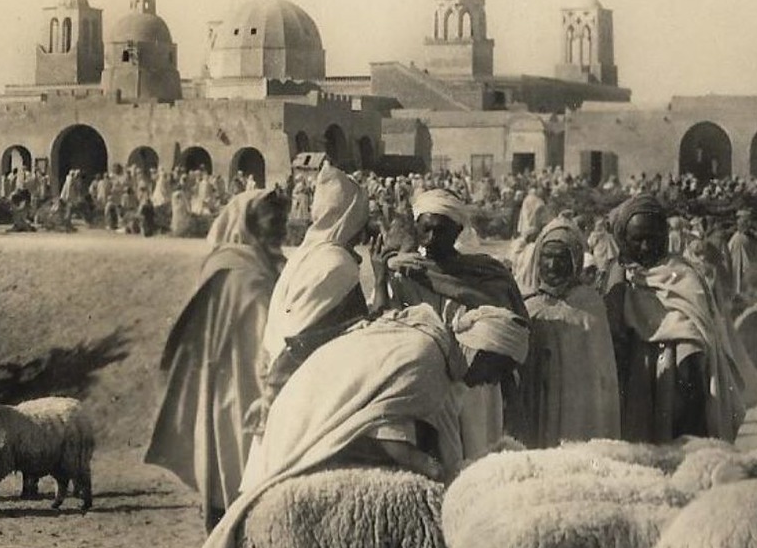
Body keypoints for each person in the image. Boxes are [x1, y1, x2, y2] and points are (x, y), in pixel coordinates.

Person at [198, 303, 523, 548]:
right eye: (497, 369)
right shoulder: (428, 361)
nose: (491, 382)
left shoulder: (434, 346)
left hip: (317, 405)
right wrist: (438, 472)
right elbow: (390, 438)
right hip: (315, 418)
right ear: (481, 351)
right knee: (324, 533)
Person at [146, 189, 290, 533]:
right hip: (238, 384)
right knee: (240, 465)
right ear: (251, 224)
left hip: (243, 378)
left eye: (282, 221)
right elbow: (265, 333)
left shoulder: (252, 263)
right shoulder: (240, 271)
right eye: (273, 221)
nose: (281, 229)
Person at [602, 194, 757, 444]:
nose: (645, 247)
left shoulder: (683, 276)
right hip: (632, 381)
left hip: (676, 383)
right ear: (623, 239)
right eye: (637, 239)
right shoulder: (616, 277)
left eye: (652, 238)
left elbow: (697, 334)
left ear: (665, 237)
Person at [385, 186, 527, 461]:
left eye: (441, 230)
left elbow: (509, 326)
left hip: (476, 385)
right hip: (426, 380)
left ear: (458, 230)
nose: (432, 238)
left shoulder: (484, 272)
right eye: (426, 229)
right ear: (416, 228)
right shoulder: (405, 274)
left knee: (479, 455)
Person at [259, 164, 381, 406]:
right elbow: (302, 343)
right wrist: (381, 280)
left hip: (282, 384)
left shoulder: (307, 253)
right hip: (299, 395)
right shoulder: (336, 263)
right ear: (350, 217)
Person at [510, 217, 620, 448]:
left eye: (560, 258)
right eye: (546, 257)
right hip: (535, 405)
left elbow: (599, 379)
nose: (552, 266)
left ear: (575, 260)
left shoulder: (589, 307)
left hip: (575, 416)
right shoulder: (528, 306)